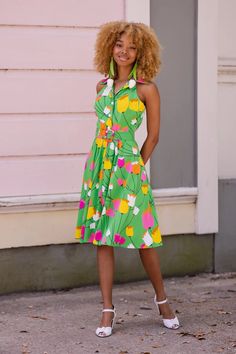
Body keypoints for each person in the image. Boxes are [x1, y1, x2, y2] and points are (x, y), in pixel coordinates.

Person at [74, 21, 180, 337]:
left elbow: (154, 136)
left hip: (128, 169)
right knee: (102, 238)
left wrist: (134, 166)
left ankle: (162, 301)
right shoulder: (101, 87)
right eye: (120, 45)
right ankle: (107, 310)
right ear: (110, 47)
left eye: (132, 47)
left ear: (140, 52)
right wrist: (105, 166)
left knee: (143, 238)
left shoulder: (147, 88)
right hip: (99, 169)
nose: (124, 51)